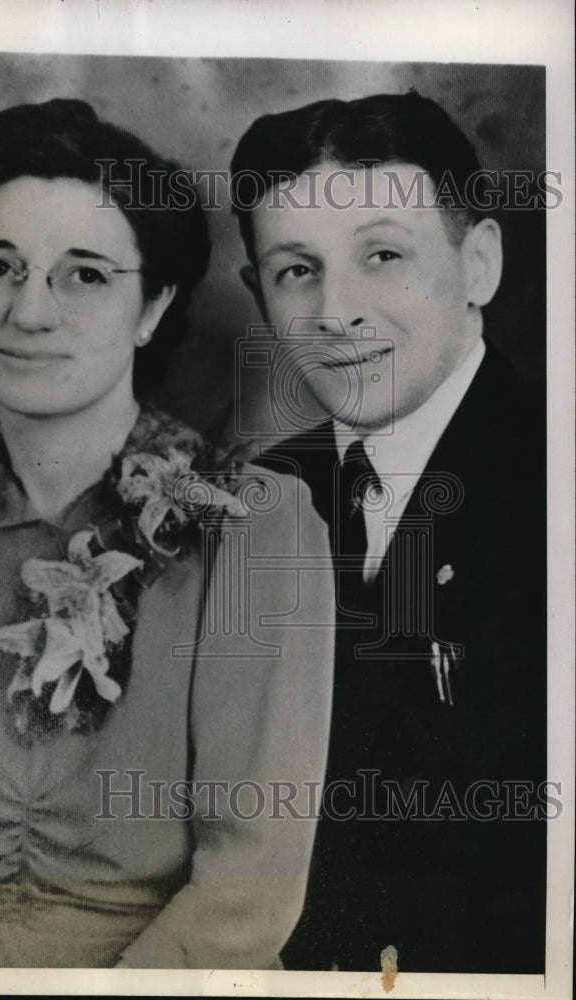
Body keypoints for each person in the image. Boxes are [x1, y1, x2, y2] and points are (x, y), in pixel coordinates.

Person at [0, 98, 335, 969]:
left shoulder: (248, 522)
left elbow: (248, 890)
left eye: (84, 275)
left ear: (153, 306)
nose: (30, 313)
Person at [229, 90, 547, 973]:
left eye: (381, 255)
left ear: (477, 261)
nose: (336, 312)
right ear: (259, 296)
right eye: (297, 270)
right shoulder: (253, 500)